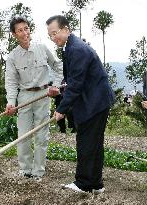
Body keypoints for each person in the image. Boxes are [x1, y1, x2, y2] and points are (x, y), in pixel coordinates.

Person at [46, 15, 115, 193]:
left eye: (55, 33)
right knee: (93, 144)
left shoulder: (77, 49)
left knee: (86, 142)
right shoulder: (69, 47)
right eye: (50, 35)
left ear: (66, 29)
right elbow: (72, 80)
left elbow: (76, 85)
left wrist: (61, 109)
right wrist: (60, 89)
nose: (53, 38)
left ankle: (83, 184)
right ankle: (96, 184)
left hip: (95, 102)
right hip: (94, 100)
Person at [5, 16, 63, 181]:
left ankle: (38, 171)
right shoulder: (12, 57)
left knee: (41, 135)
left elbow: (58, 66)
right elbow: (10, 82)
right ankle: (25, 170)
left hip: (44, 95)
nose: (24, 33)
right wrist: (11, 102)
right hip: (24, 96)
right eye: (20, 30)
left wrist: (56, 86)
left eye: (26, 28)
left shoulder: (42, 48)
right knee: (23, 135)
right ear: (14, 34)